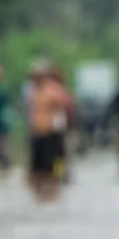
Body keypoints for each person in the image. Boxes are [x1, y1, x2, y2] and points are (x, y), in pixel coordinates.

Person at [25, 61, 76, 192]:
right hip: (37, 132)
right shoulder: (32, 91)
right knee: (38, 164)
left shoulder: (54, 90)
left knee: (55, 159)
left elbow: (67, 107)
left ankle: (58, 179)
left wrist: (66, 124)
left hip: (52, 131)